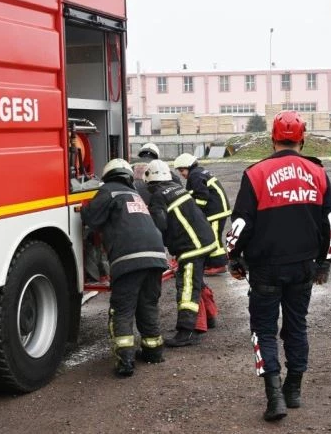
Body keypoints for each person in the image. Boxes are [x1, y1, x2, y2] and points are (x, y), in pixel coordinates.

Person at [226, 110, 331, 422]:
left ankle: (274, 397)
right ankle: (294, 389)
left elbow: (240, 225)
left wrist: (233, 256)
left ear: (272, 139)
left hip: (265, 268)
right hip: (303, 266)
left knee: (263, 330)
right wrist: (325, 262)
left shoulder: (255, 174)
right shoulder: (318, 172)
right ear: (302, 140)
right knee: (296, 326)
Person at [81, 158, 169, 377]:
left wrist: (83, 207)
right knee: (148, 305)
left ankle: (125, 361)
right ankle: (153, 351)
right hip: (156, 257)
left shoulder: (108, 191)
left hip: (129, 259)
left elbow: (91, 218)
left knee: (122, 309)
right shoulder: (135, 195)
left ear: (108, 175)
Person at [144, 159, 218, 347]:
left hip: (192, 247)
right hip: (205, 241)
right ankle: (210, 318)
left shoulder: (158, 196)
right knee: (196, 282)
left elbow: (160, 225)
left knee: (187, 287)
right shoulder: (177, 188)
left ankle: (187, 332)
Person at [173, 153, 232, 276]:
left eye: (182, 170)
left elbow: (201, 197)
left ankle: (219, 265)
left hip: (215, 211)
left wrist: (192, 211)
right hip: (216, 210)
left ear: (188, 166)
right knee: (211, 236)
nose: (181, 174)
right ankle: (213, 263)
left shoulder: (195, 176)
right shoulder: (199, 172)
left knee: (214, 237)